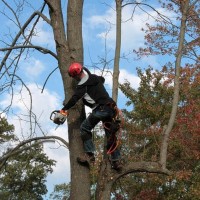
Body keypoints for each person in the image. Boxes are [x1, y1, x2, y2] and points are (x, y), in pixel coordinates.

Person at [60, 62, 122, 171]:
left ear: (75, 75)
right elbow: (102, 79)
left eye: (74, 77)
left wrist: (64, 108)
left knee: (84, 127)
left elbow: (74, 99)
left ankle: (90, 155)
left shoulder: (82, 86)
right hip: (111, 108)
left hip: (101, 109)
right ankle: (116, 162)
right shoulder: (94, 78)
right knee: (110, 135)